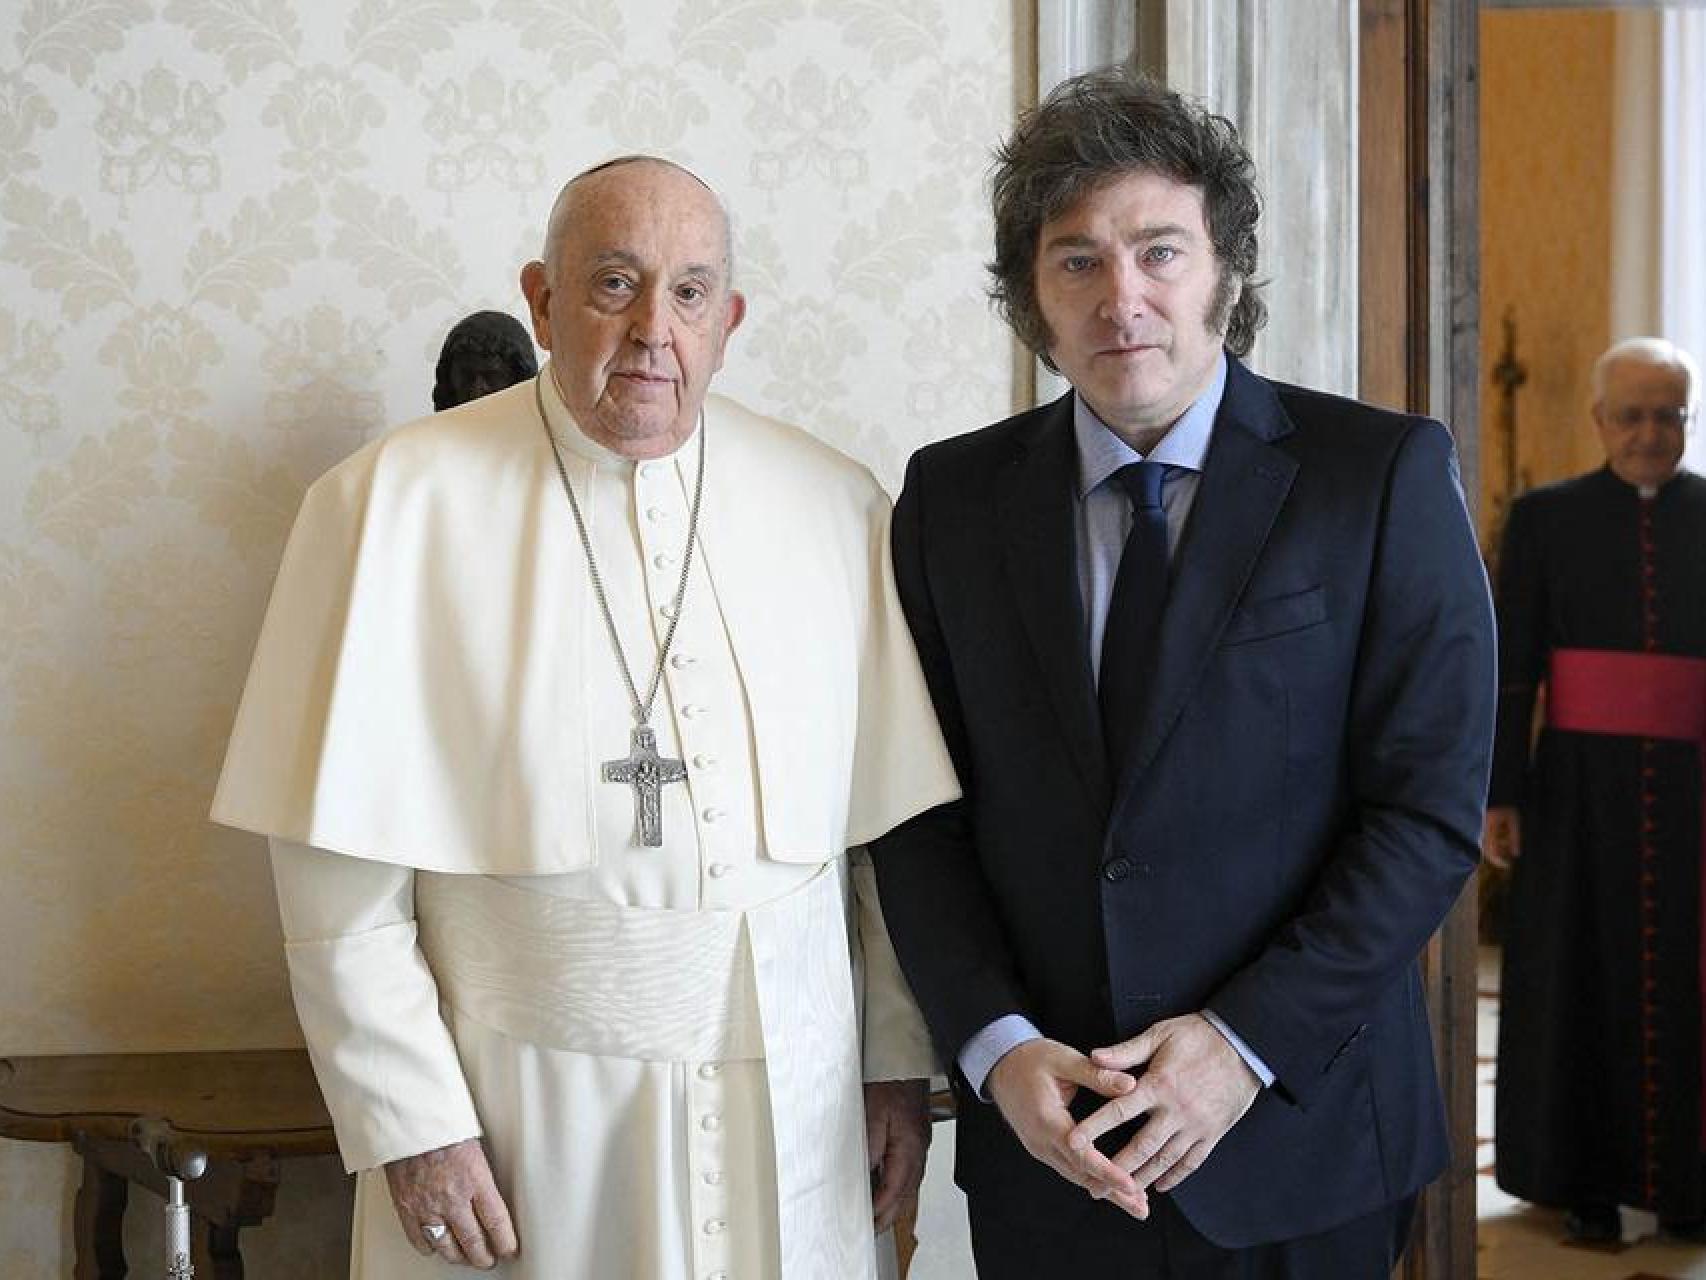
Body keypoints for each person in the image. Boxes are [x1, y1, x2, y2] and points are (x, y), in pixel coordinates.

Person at [211, 155, 958, 1278]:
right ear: (543, 300)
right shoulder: (385, 505)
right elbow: (332, 874)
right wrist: (412, 1122)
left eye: (691, 291)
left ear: (730, 320)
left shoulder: (832, 500)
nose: (655, 327)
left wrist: (890, 1061)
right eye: (615, 283)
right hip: (522, 1110)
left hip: (789, 1098)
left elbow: (881, 842)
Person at [869, 68, 1495, 1278]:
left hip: (1298, 1139)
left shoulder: (1378, 478)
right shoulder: (947, 499)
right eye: (1075, 262)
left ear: (1225, 272)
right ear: (1029, 299)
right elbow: (915, 813)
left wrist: (1239, 1042)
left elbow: (1422, 814)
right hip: (1049, 1149)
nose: (1122, 299)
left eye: (1159, 251)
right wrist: (996, 1048)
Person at [1488, 336, 1706, 1243]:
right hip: (1576, 793)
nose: (1650, 434)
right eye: (1632, 415)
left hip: (1696, 794)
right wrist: (1500, 793)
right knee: (1580, 981)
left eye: (1668, 415)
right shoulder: (1546, 518)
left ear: (1688, 419)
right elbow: (1512, 670)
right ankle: (1583, 1182)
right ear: (1599, 421)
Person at [431, 310, 539, 411]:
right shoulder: (430, 430)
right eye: (467, 377)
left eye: (492, 376)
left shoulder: (546, 429)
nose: (476, 392)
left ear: (517, 378)